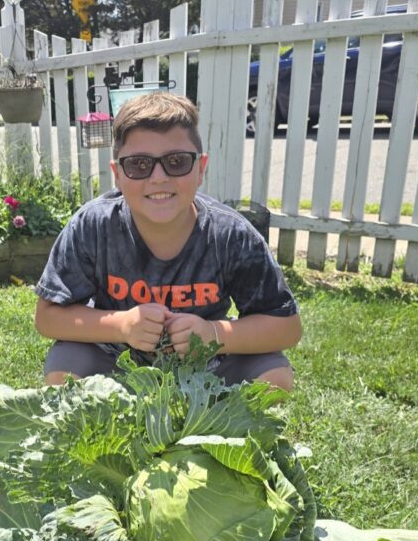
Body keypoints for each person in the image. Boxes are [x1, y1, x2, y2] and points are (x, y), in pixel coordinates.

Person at [34, 92, 301, 389]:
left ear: (200, 168)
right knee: (63, 371)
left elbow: (287, 327)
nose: (159, 177)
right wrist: (121, 325)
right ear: (117, 175)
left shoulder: (230, 234)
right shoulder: (93, 225)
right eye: (138, 164)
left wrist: (213, 334)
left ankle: (210, 411)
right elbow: (47, 318)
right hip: (116, 360)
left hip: (207, 364)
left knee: (276, 378)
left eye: (176, 162)